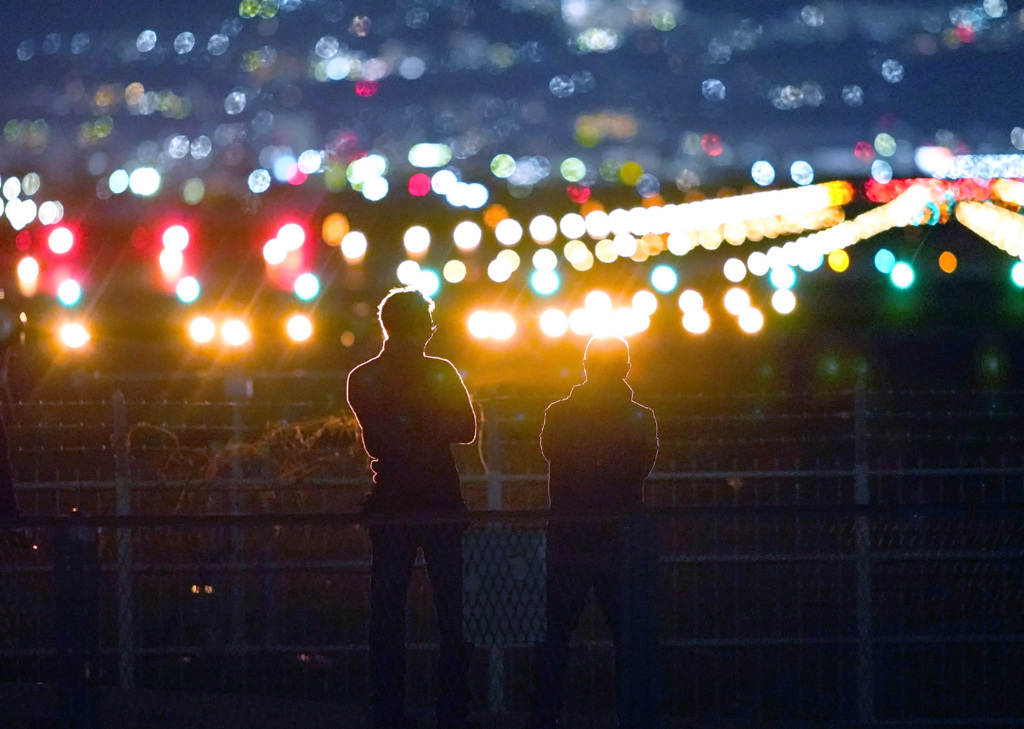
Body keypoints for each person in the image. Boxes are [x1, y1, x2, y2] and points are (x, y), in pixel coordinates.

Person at [346, 287, 478, 729]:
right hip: (440, 497)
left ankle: (387, 707)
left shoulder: (363, 377)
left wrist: (406, 423)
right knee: (454, 610)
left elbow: (380, 437)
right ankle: (453, 709)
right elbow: (465, 428)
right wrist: (428, 420)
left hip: (393, 500)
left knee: (386, 609)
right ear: (423, 326)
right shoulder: (440, 373)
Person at [529, 335, 662, 729]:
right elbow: (641, 468)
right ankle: (635, 716)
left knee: (554, 635)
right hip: (621, 537)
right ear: (625, 367)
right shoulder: (640, 417)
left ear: (586, 366)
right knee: (630, 638)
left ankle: (544, 716)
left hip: (569, 533)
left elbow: (552, 453)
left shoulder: (560, 414)